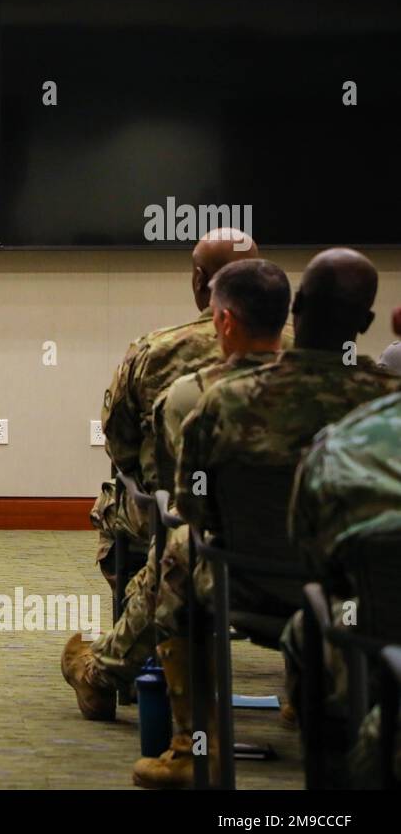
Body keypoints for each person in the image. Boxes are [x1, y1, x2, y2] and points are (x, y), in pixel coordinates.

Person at [133, 247, 401, 789]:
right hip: (363, 605)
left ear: (296, 307)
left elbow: (192, 505)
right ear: (367, 324)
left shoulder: (222, 401)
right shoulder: (385, 408)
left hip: (247, 586)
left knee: (181, 551)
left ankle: (191, 746)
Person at [63, 257, 290, 720]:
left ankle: (121, 675)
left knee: (142, 524)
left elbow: (124, 449)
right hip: (316, 559)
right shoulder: (318, 365)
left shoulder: (167, 363)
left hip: (203, 544)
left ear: (201, 285)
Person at [286, 304, 401, 786]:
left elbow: (311, 557)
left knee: (307, 626)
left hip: (374, 640)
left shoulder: (342, 445)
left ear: (396, 323)